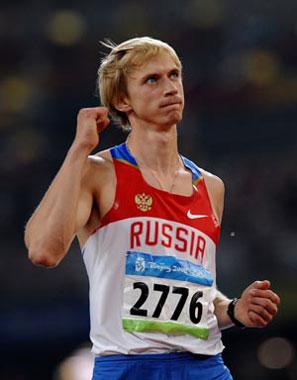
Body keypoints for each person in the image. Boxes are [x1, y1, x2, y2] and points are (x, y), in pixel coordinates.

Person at [24, 37, 280, 380]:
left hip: (205, 367)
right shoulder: (98, 172)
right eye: (152, 79)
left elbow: (193, 290)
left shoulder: (211, 186)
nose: (171, 87)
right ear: (121, 99)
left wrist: (233, 310)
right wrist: (79, 150)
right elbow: (43, 250)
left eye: (174, 75)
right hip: (128, 366)